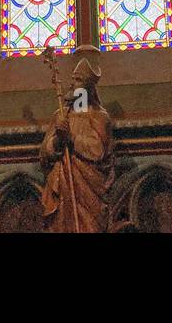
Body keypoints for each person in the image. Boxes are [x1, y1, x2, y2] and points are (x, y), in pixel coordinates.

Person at [40, 58, 114, 232]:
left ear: (89, 87)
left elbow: (97, 152)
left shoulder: (100, 117)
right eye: (73, 79)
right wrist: (58, 140)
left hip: (90, 190)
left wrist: (71, 137)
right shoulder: (61, 115)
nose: (73, 84)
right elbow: (44, 153)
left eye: (79, 80)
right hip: (64, 184)